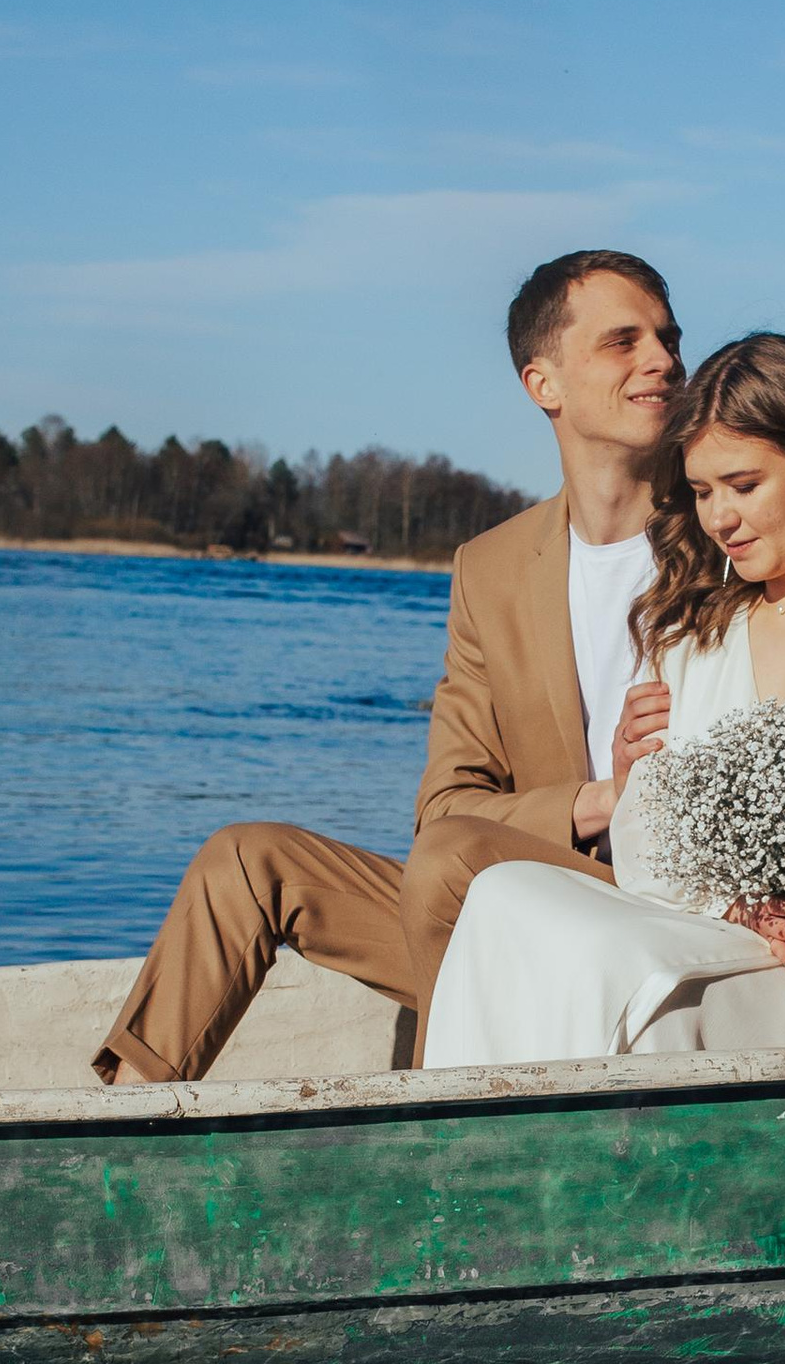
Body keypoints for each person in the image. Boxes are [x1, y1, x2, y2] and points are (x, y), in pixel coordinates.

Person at [93, 250, 683, 1082]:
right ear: (543, 384)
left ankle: (438, 1138)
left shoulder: (725, 537)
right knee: (244, 859)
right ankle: (117, 1130)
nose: (662, 360)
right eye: (623, 341)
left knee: (446, 868)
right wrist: (597, 802)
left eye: (667, 337)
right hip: (518, 909)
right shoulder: (493, 566)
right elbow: (448, 807)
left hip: (666, 925)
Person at [420, 334, 785, 1068]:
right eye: (703, 492)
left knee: (626, 966)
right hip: (703, 932)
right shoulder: (693, 632)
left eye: (743, 486)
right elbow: (644, 834)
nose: (719, 521)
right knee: (505, 895)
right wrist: (741, 908)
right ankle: (470, 1151)